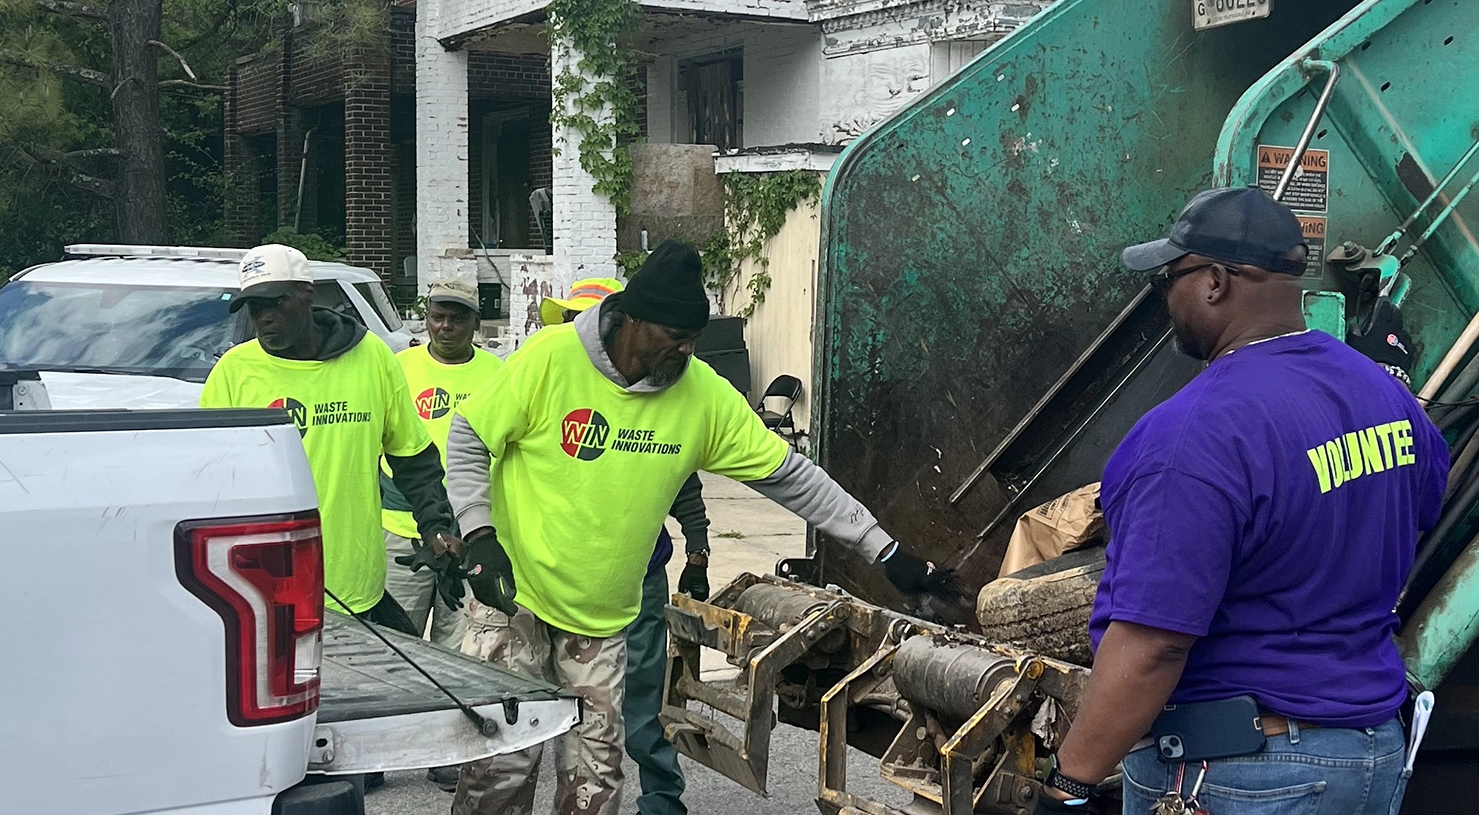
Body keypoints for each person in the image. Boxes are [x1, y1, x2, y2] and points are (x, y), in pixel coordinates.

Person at [442, 241, 958, 815]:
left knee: (594, 784)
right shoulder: (550, 359)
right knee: (499, 774)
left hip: (600, 619)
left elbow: (792, 477)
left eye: (693, 338)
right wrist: (479, 535)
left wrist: (886, 552)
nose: (687, 350)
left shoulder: (703, 395)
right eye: (674, 337)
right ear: (632, 318)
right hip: (514, 599)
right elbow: (469, 437)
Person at [1038, 188, 1448, 815]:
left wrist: (1069, 785)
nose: (1164, 299)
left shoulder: (1193, 435)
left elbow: (1154, 643)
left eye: (1168, 279)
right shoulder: (1386, 398)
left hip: (1238, 775)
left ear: (1215, 282)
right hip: (1369, 759)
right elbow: (1412, 519)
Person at [199, 244, 460, 633]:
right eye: (254, 308)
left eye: (275, 303)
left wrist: (436, 527)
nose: (264, 318)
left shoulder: (370, 357)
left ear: (308, 294)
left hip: (356, 586)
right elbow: (206, 483)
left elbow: (413, 458)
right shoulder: (234, 373)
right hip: (265, 593)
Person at [540, 274, 712, 815]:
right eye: (569, 321)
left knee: (638, 701)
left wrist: (699, 549)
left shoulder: (659, 401)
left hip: (634, 577)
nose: (576, 331)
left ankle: (661, 799)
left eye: (580, 320)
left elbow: (685, 480)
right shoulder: (548, 379)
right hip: (546, 578)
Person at [376, 278, 504, 793]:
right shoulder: (399, 368)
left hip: (469, 530)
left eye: (456, 316)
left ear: (476, 322)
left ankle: (448, 751)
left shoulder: (498, 373)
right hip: (400, 528)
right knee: (392, 646)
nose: (445, 325)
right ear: (424, 317)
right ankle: (379, 751)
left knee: (458, 647)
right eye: (436, 315)